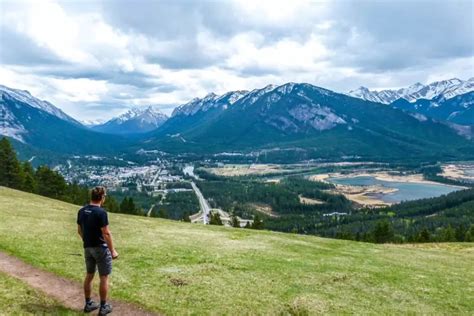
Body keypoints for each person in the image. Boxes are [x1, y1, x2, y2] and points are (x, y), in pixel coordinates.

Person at [77, 186, 119, 315]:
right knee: (104, 277)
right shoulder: (101, 212)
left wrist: (87, 240)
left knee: (89, 275)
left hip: (87, 248)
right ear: (102, 197)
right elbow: (106, 233)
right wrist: (113, 251)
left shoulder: (82, 211)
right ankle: (103, 306)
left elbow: (79, 230)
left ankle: (88, 303)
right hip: (100, 248)